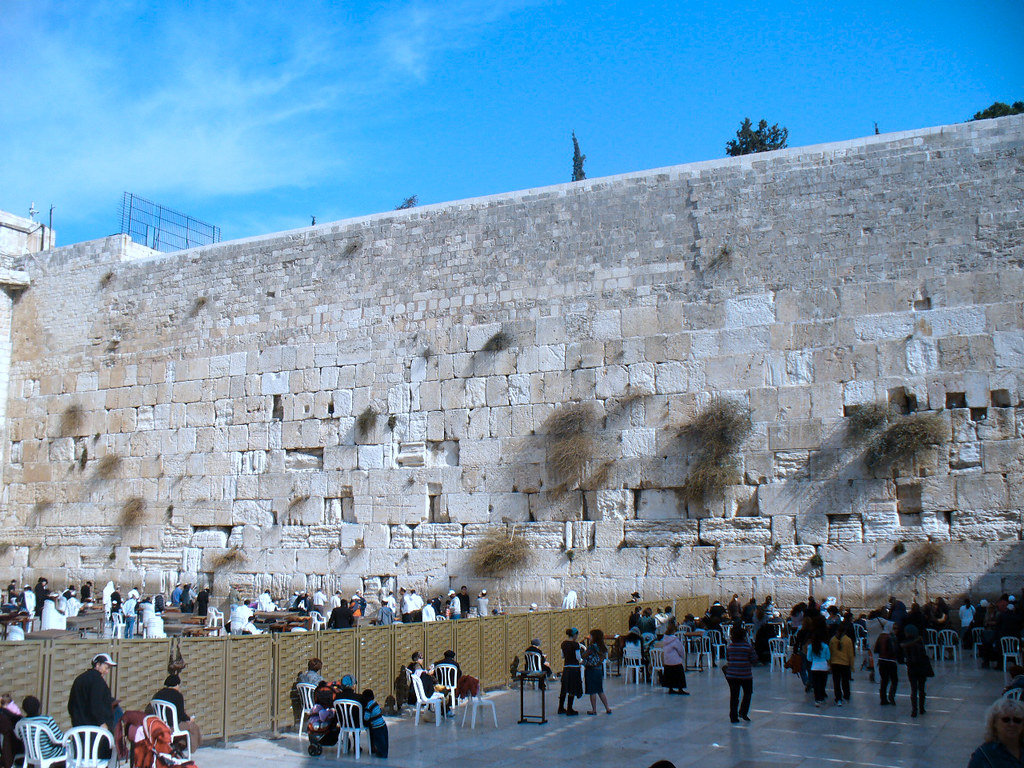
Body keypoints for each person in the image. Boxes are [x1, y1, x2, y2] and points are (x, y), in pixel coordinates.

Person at [68, 652, 118, 734]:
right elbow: (96, 705)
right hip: (95, 730)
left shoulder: (79, 679)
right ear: (97, 665)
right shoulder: (98, 681)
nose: (107, 671)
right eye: (106, 668)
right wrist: (102, 723)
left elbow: (71, 705)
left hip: (78, 728)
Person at [967, 697, 1024, 768]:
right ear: (994, 723)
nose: (1012, 724)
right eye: (1006, 720)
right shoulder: (984, 756)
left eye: (1017, 720)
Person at [152, 674, 202, 749]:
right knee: (194, 727)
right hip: (172, 727)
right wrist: (189, 719)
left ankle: (178, 747)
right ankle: (193, 749)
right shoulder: (178, 695)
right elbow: (181, 715)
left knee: (185, 729)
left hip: (160, 725)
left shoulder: (157, 695)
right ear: (177, 685)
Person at [724, 622, 758, 723]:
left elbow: (728, 658)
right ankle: (743, 712)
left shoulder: (730, 647)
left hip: (732, 675)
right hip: (745, 675)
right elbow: (754, 659)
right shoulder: (747, 647)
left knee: (734, 696)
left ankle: (733, 716)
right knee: (748, 693)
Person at [18, 696, 64, 764]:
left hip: (30, 755)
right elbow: (60, 739)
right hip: (48, 755)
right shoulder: (47, 720)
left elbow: (20, 737)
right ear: (38, 707)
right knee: (68, 748)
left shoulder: (21, 723)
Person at [901, 624, 933, 717]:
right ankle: (921, 708)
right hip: (921, 667)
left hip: (912, 667)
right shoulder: (919, 641)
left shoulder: (908, 642)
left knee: (914, 689)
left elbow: (903, 648)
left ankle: (914, 710)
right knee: (922, 689)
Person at [583, 628, 612, 715]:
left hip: (591, 670)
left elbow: (584, 655)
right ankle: (607, 707)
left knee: (592, 691)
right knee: (600, 690)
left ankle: (594, 709)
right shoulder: (602, 647)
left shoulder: (592, 647)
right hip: (599, 670)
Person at [874, 619, 901, 706]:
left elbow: (876, 649)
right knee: (894, 680)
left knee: (884, 680)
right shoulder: (891, 636)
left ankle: (883, 698)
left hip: (881, 660)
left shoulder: (881, 636)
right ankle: (891, 696)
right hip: (890, 661)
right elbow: (894, 650)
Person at [557, 628, 584, 716]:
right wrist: (582, 661)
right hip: (574, 668)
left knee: (564, 688)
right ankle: (569, 709)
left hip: (566, 668)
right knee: (572, 688)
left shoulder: (563, 644)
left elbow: (562, 656)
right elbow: (578, 657)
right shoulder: (576, 645)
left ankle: (560, 708)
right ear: (575, 635)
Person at [658, 620, 688, 695]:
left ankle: (670, 688)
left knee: (669, 675)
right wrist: (682, 655)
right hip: (675, 661)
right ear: (674, 631)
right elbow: (680, 649)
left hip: (667, 661)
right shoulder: (675, 640)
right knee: (679, 675)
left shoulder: (665, 639)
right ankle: (680, 689)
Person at [829, 620, 855, 706]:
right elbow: (850, 654)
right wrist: (852, 666)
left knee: (836, 682)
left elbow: (830, 653)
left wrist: (829, 664)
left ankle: (838, 698)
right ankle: (846, 696)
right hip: (845, 664)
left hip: (835, 663)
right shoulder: (848, 640)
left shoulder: (832, 640)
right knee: (845, 681)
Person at [806, 626, 831, 708]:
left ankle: (817, 699)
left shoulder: (810, 646)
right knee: (822, 683)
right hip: (824, 666)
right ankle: (822, 697)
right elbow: (828, 657)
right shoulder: (825, 646)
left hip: (814, 666)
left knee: (816, 684)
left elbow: (809, 658)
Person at [361, 689, 389, 758]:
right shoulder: (375, 703)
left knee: (379, 741)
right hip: (383, 724)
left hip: (376, 727)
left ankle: (382, 754)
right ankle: (385, 752)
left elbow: (366, 718)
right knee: (385, 739)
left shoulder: (368, 707)